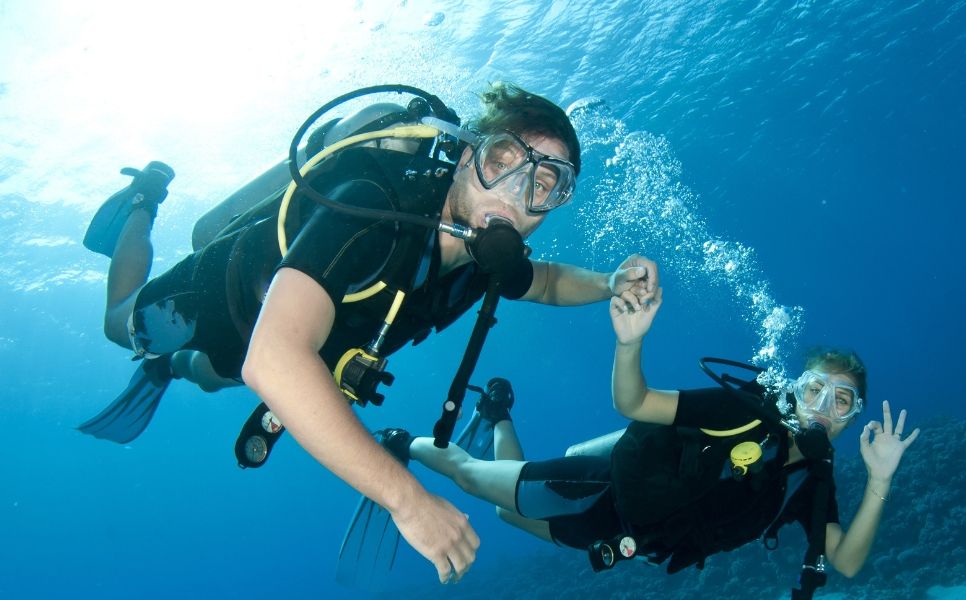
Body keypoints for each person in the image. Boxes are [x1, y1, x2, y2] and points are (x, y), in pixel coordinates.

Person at [79, 82, 659, 584]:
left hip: (287, 340)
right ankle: (140, 201)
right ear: (464, 156)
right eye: (504, 160)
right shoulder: (375, 207)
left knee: (210, 377)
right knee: (120, 326)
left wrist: (610, 282)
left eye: (546, 183)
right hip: (229, 292)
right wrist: (405, 500)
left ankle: (169, 366)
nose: (515, 194)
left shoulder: (483, 254)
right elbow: (275, 360)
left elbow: (545, 281)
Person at [375, 286, 920, 597]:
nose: (823, 409)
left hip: (626, 536)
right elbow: (635, 403)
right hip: (600, 489)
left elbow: (845, 562)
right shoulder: (740, 410)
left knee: (504, 515)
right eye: (815, 390)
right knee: (473, 479)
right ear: (793, 390)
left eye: (842, 401)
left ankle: (496, 415)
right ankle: (409, 446)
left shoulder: (810, 482)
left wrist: (880, 479)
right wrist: (628, 344)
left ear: (854, 417)